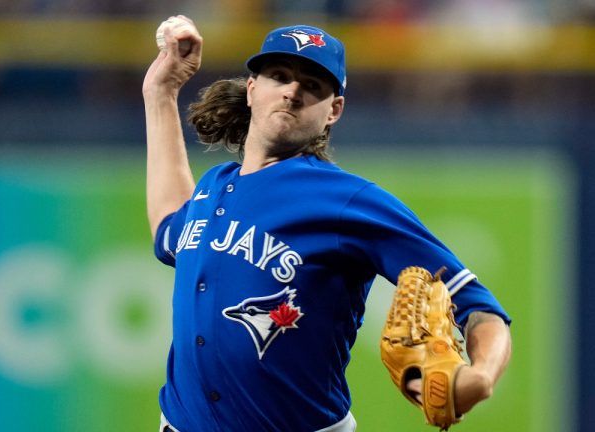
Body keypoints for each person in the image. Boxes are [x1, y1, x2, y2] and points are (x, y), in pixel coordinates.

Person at [143, 15, 512, 432]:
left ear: (333, 110)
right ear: (251, 90)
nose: (293, 91)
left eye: (313, 85)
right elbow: (169, 229)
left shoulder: (346, 202)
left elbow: (480, 306)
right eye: (278, 76)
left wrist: (480, 378)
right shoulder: (213, 188)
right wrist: (161, 91)